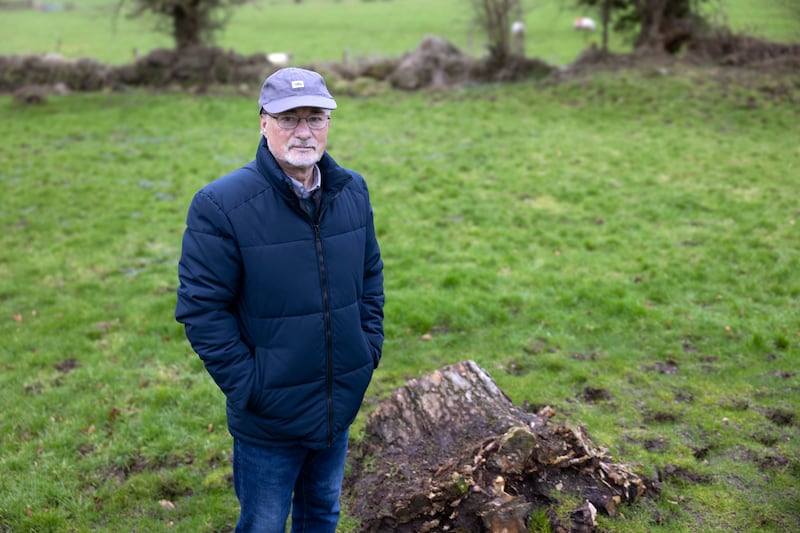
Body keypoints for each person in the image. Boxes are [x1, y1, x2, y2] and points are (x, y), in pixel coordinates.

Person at [175, 67, 385, 532]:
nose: (304, 131)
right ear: (264, 123)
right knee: (264, 524)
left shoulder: (352, 191)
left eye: (316, 117)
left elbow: (370, 277)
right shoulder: (220, 205)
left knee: (322, 515)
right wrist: (251, 386)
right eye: (289, 119)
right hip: (268, 418)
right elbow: (202, 310)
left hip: (337, 403)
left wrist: (366, 349)